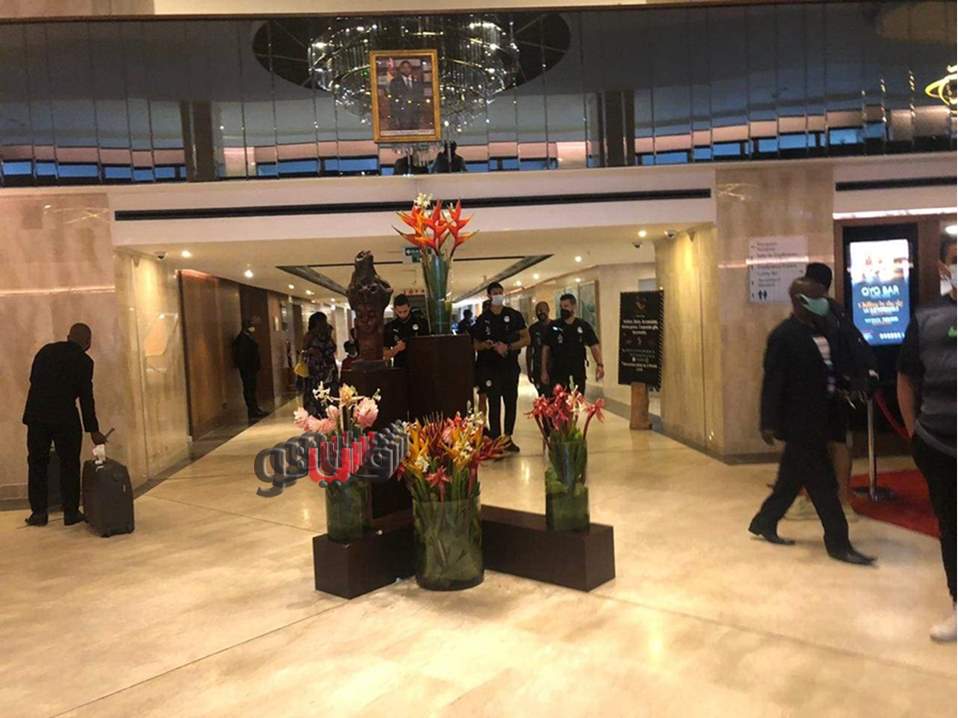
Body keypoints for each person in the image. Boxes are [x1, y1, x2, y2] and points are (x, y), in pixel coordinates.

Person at [748, 278, 875, 566]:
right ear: (799, 301)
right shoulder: (784, 336)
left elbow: (830, 371)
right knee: (824, 485)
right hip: (800, 423)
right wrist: (768, 421)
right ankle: (838, 543)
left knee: (790, 480)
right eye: (818, 298)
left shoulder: (824, 330)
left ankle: (764, 521)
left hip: (823, 417)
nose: (824, 302)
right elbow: (773, 381)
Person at [897, 236, 957, 642]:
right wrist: (912, 432)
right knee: (952, 526)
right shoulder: (925, 318)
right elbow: (905, 377)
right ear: (942, 267)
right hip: (939, 442)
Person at [786, 262, 878, 522]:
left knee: (816, 446)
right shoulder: (837, 311)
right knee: (839, 445)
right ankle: (842, 500)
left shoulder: (814, 314)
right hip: (840, 389)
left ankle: (810, 499)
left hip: (821, 391)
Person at [22, 323, 108, 527]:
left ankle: (38, 513)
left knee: (37, 463)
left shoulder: (45, 351)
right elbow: (86, 398)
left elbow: (33, 379)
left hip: (37, 415)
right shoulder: (84, 362)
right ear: (88, 342)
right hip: (65, 417)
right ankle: (70, 512)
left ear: (68, 336)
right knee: (69, 464)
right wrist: (93, 430)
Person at [471, 282, 530, 452]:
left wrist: (509, 347)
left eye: (500, 292)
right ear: (489, 296)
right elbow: (475, 344)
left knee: (510, 403)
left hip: (510, 367)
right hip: (490, 368)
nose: (498, 295)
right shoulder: (483, 319)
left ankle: (508, 438)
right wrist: (486, 345)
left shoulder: (514, 315)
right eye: (495, 293)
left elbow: (527, 339)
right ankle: (496, 440)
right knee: (494, 403)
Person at [540, 294, 604, 393]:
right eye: (561, 306)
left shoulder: (583, 325)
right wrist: (544, 370)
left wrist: (599, 365)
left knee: (579, 397)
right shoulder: (554, 326)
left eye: (566, 306)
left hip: (577, 366)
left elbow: (594, 345)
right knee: (561, 398)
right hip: (559, 368)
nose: (563, 309)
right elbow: (546, 348)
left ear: (574, 306)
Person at [301, 312, 338, 416]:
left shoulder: (311, 335)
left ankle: (319, 417)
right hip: (321, 370)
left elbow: (304, 351)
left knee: (318, 396)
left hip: (318, 370)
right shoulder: (321, 335)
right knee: (324, 397)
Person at [233, 318, 267, 422]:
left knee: (252, 388)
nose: (253, 327)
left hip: (251, 368)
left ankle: (255, 408)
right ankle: (252, 410)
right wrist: (248, 367)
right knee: (249, 389)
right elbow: (243, 355)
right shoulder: (243, 339)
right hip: (248, 369)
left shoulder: (247, 337)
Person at [384, 294, 427, 368]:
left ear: (409, 307)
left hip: (420, 365)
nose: (403, 314)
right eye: (399, 312)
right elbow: (385, 355)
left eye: (405, 311)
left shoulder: (421, 323)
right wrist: (397, 348)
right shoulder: (390, 327)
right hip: (400, 367)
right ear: (395, 310)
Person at [387, 60, 424, 131]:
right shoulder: (395, 82)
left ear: (411, 69)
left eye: (408, 67)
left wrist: (421, 112)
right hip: (402, 114)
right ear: (400, 69)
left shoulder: (417, 81)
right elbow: (393, 99)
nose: (406, 69)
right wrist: (395, 115)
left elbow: (420, 96)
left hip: (415, 113)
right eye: (404, 67)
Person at [526, 301, 552, 396]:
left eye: (543, 309)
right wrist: (529, 369)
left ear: (548, 310)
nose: (541, 312)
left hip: (554, 368)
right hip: (538, 367)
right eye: (538, 310)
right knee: (542, 396)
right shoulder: (533, 329)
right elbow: (529, 350)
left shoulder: (555, 326)